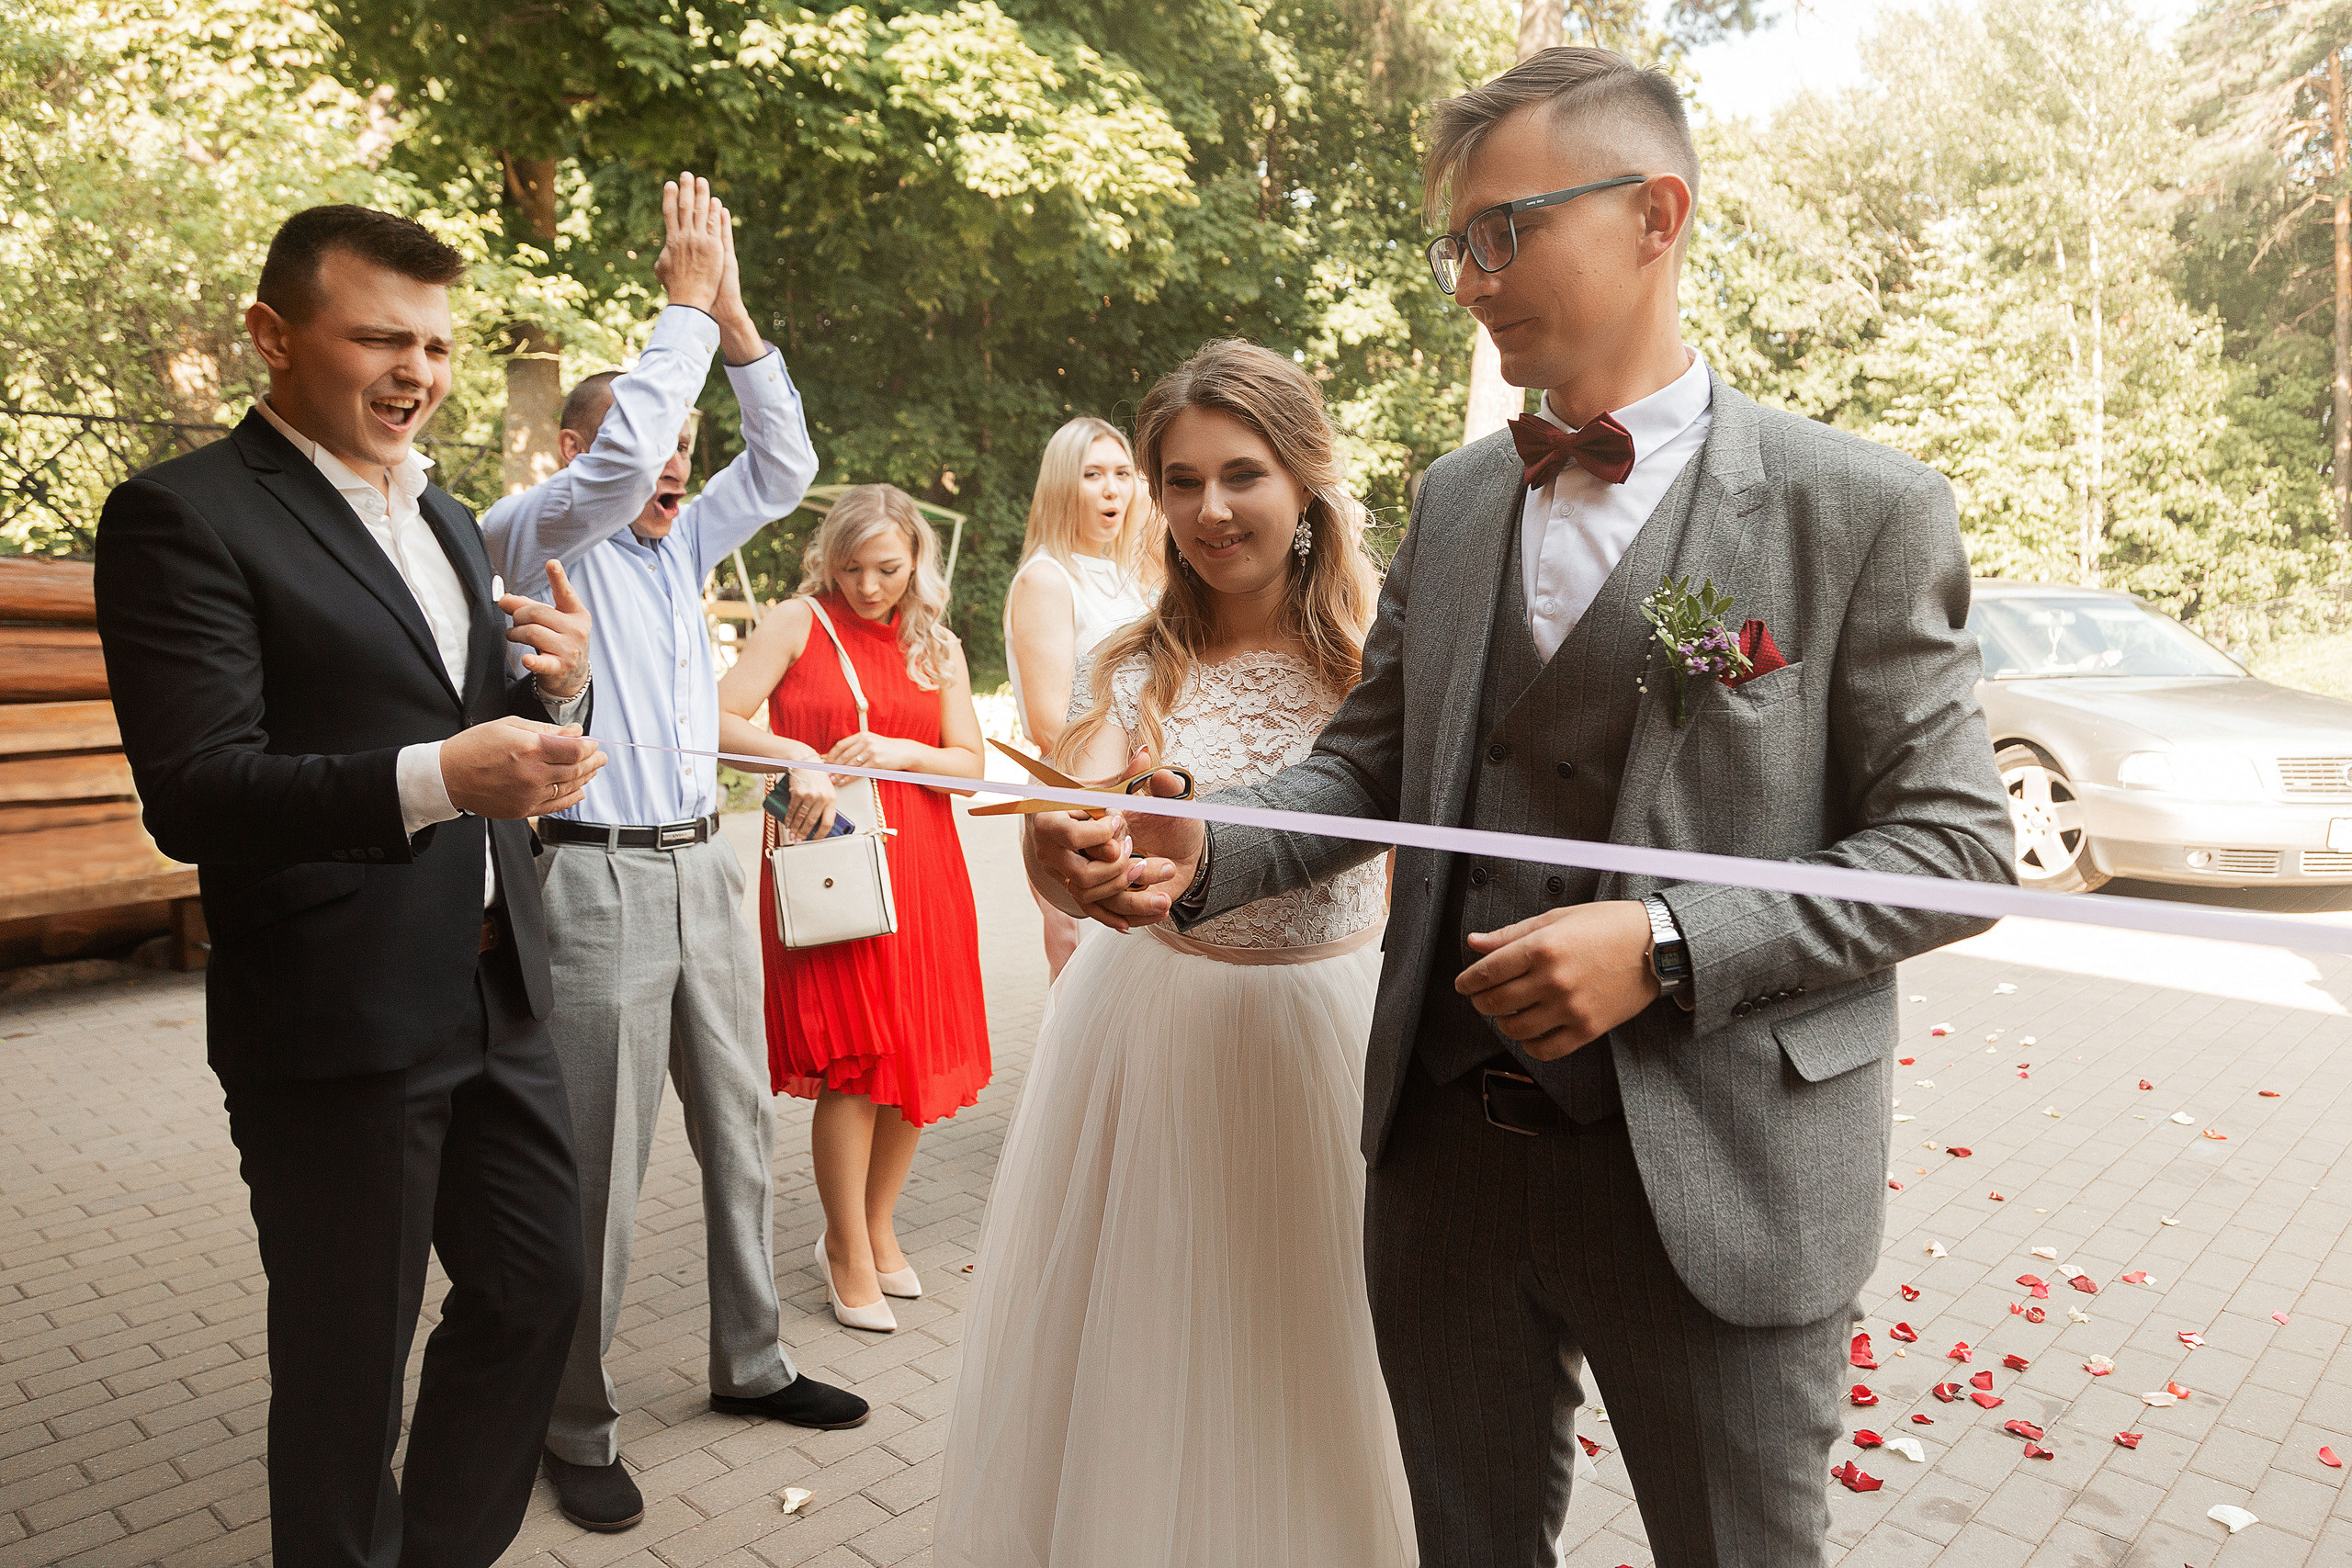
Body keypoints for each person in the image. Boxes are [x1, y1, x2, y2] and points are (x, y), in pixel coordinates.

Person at [1030, 47, 2016, 1568]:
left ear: (1655, 215)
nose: (1472, 279)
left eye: (1506, 231)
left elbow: (1954, 850)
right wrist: (1206, 843)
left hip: (1721, 1174)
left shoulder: (1857, 508)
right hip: (1444, 1172)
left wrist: (1670, 943)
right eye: (1457, 245)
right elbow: (1368, 766)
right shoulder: (1463, 496)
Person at [94, 204, 605, 1568]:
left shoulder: (438, 509)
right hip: (336, 1008)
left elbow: (460, 702)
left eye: (435, 343)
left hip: (497, 982)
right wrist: (445, 771)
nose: (416, 368)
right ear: (273, 334)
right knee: (345, 1371)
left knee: (541, 1284)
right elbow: (198, 789)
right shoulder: (178, 514)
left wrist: (557, 686)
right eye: (380, 335)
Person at [937, 341, 1415, 1568]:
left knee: (1308, 1358)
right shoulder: (1130, 664)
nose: (1208, 509)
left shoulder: (1377, 664)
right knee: (1143, 1352)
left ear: (1306, 484)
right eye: (1180, 477)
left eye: (1242, 474)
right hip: (1148, 1037)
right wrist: (1070, 859)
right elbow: (1062, 842)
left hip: (1328, 1038)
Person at [481, 171, 869, 1535]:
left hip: (706, 865)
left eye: (686, 441)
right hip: (590, 879)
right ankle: (569, 1417)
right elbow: (614, 454)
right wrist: (680, 309)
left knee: (737, 1131)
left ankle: (752, 1359)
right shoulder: (538, 530)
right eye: (655, 440)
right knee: (593, 1170)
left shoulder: (682, 540)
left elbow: (789, 469)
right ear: (588, 451)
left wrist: (740, 324)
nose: (678, 461)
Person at [717, 485, 991, 1333]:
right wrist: (799, 753)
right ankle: (841, 1246)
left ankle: (877, 1226)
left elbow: (970, 766)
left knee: (908, 1055)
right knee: (856, 1058)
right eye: (850, 567)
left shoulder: (935, 645)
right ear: (825, 560)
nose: (868, 587)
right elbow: (719, 719)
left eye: (886, 568)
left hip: (924, 867)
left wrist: (904, 748)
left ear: (916, 560)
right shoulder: (798, 622)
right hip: (829, 862)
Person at [1002, 416, 1156, 979]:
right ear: (1062, 484)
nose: (1112, 488)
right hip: (1080, 801)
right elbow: (1050, 723)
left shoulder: (1132, 579)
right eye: (1092, 474)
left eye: (1122, 473)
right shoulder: (1047, 578)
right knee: (1083, 973)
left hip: (1137, 794)